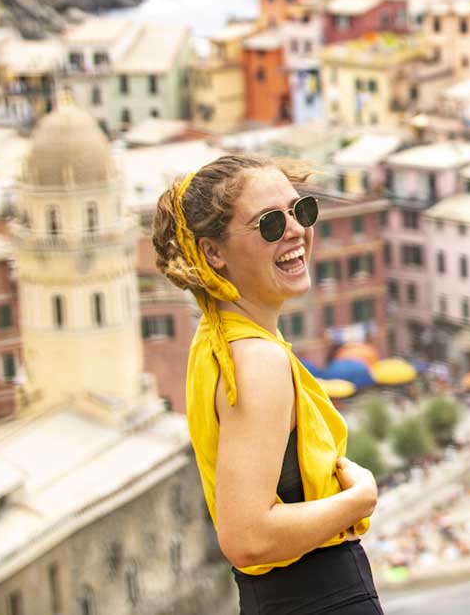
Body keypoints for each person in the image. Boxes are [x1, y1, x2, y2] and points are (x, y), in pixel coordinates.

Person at [152, 155, 383, 614]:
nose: (296, 230)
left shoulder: (219, 341)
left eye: (301, 211)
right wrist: (360, 499)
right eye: (270, 224)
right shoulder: (258, 359)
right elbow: (248, 537)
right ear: (213, 252)